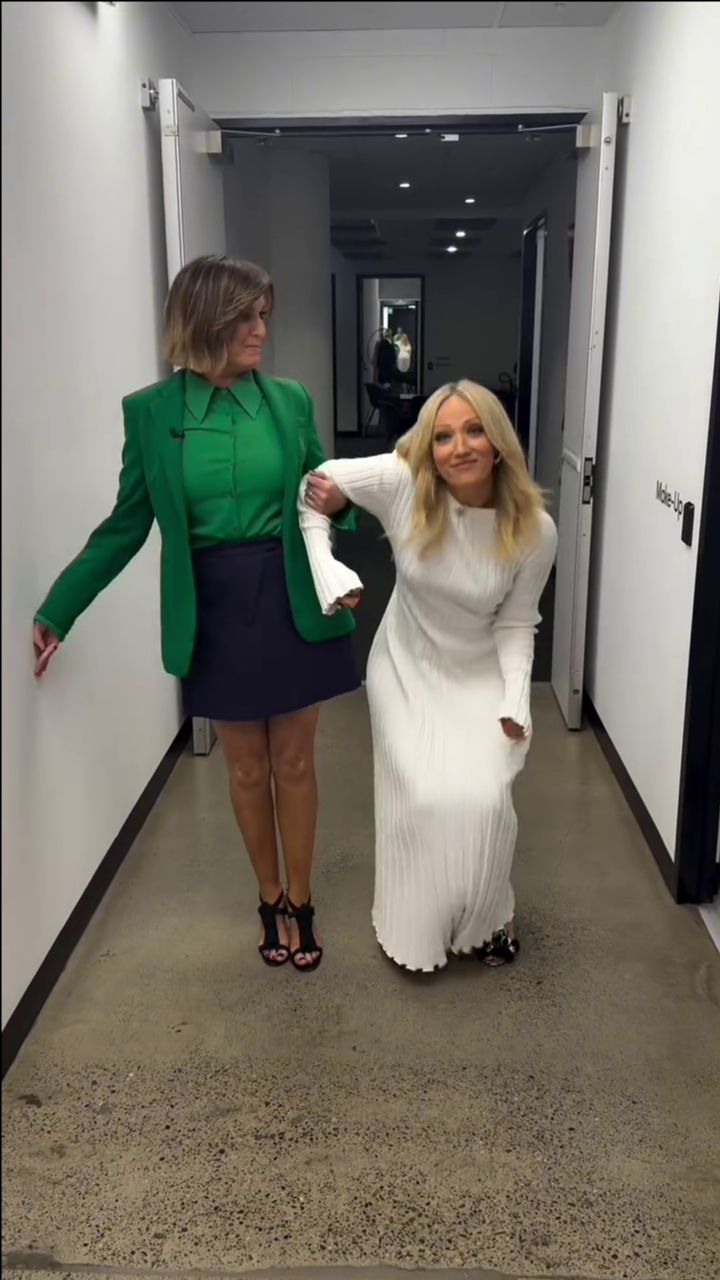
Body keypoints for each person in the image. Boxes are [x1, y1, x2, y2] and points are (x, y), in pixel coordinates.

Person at [33, 255, 360, 974]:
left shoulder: (289, 401)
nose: (261, 330)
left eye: (264, 316)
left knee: (295, 761)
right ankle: (269, 897)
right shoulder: (151, 413)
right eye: (247, 317)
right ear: (206, 321)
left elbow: (323, 489)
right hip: (214, 603)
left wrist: (342, 503)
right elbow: (127, 523)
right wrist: (61, 607)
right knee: (246, 768)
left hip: (291, 592)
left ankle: (303, 900)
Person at [299, 381, 557, 973]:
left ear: (498, 442)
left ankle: (490, 913)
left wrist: (517, 696)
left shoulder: (534, 529)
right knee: (424, 798)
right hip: (405, 666)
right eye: (442, 436)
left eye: (474, 431)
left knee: (487, 801)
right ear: (428, 448)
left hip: (480, 672)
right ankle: (415, 923)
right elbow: (314, 485)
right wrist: (324, 564)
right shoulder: (403, 483)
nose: (459, 447)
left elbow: (517, 622)